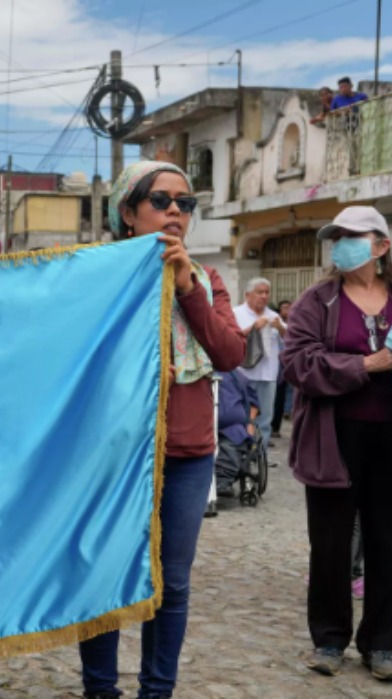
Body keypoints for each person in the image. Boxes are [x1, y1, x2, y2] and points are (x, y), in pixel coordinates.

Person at [78, 160, 246, 699]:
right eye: (160, 199)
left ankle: (158, 692)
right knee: (104, 578)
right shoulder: (94, 272)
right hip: (112, 453)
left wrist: (186, 286)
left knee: (171, 584)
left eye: (186, 202)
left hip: (187, 453)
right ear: (128, 213)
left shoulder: (207, 278)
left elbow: (228, 351)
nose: (175, 210)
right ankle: (100, 691)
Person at [282, 206, 392, 683]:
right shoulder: (318, 300)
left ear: (381, 246)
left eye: (353, 236)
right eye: (336, 237)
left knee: (387, 542)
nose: (341, 244)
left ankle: (381, 644)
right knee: (330, 543)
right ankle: (329, 639)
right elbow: (298, 364)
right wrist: (364, 366)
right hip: (335, 436)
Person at [234, 279, 285, 447]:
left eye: (267, 292)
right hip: (244, 374)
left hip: (268, 375)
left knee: (265, 420)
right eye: (259, 292)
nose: (264, 296)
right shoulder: (235, 313)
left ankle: (261, 457)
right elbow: (232, 339)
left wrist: (280, 328)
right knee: (242, 416)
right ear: (248, 295)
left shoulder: (272, 315)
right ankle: (240, 456)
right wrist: (253, 327)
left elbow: (291, 338)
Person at [214, 369, 259, 498]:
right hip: (200, 425)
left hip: (231, 427)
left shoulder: (237, 375)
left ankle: (223, 481)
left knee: (230, 446)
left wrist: (250, 422)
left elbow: (253, 403)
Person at [272, 299, 293, 438]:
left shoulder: (295, 322)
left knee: (287, 391)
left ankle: (284, 415)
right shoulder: (276, 322)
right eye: (285, 308)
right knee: (278, 394)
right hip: (276, 366)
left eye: (289, 307)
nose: (288, 310)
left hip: (289, 364)